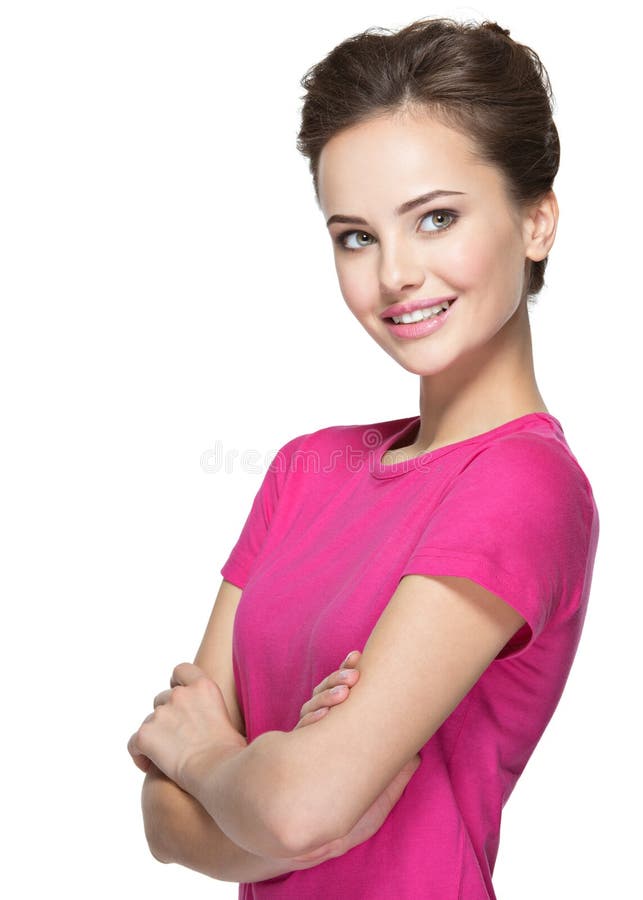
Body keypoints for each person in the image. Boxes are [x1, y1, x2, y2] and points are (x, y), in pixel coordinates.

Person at [127, 16, 600, 899]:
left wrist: (208, 757)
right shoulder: (305, 469)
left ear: (535, 222)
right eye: (356, 235)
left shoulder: (524, 484)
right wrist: (261, 787)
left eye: (435, 219)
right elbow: (162, 818)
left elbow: (295, 810)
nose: (394, 277)